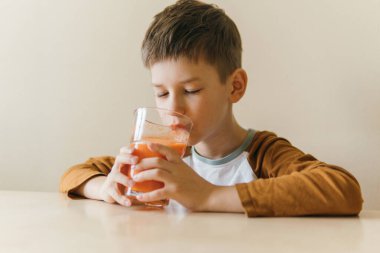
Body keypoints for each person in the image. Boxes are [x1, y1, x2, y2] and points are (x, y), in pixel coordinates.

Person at [60, 0, 363, 217]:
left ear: (234, 87)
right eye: (161, 93)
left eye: (191, 90)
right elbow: (75, 174)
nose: (173, 107)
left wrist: (207, 195)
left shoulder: (262, 155)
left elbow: (343, 190)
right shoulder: (168, 156)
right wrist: (106, 188)